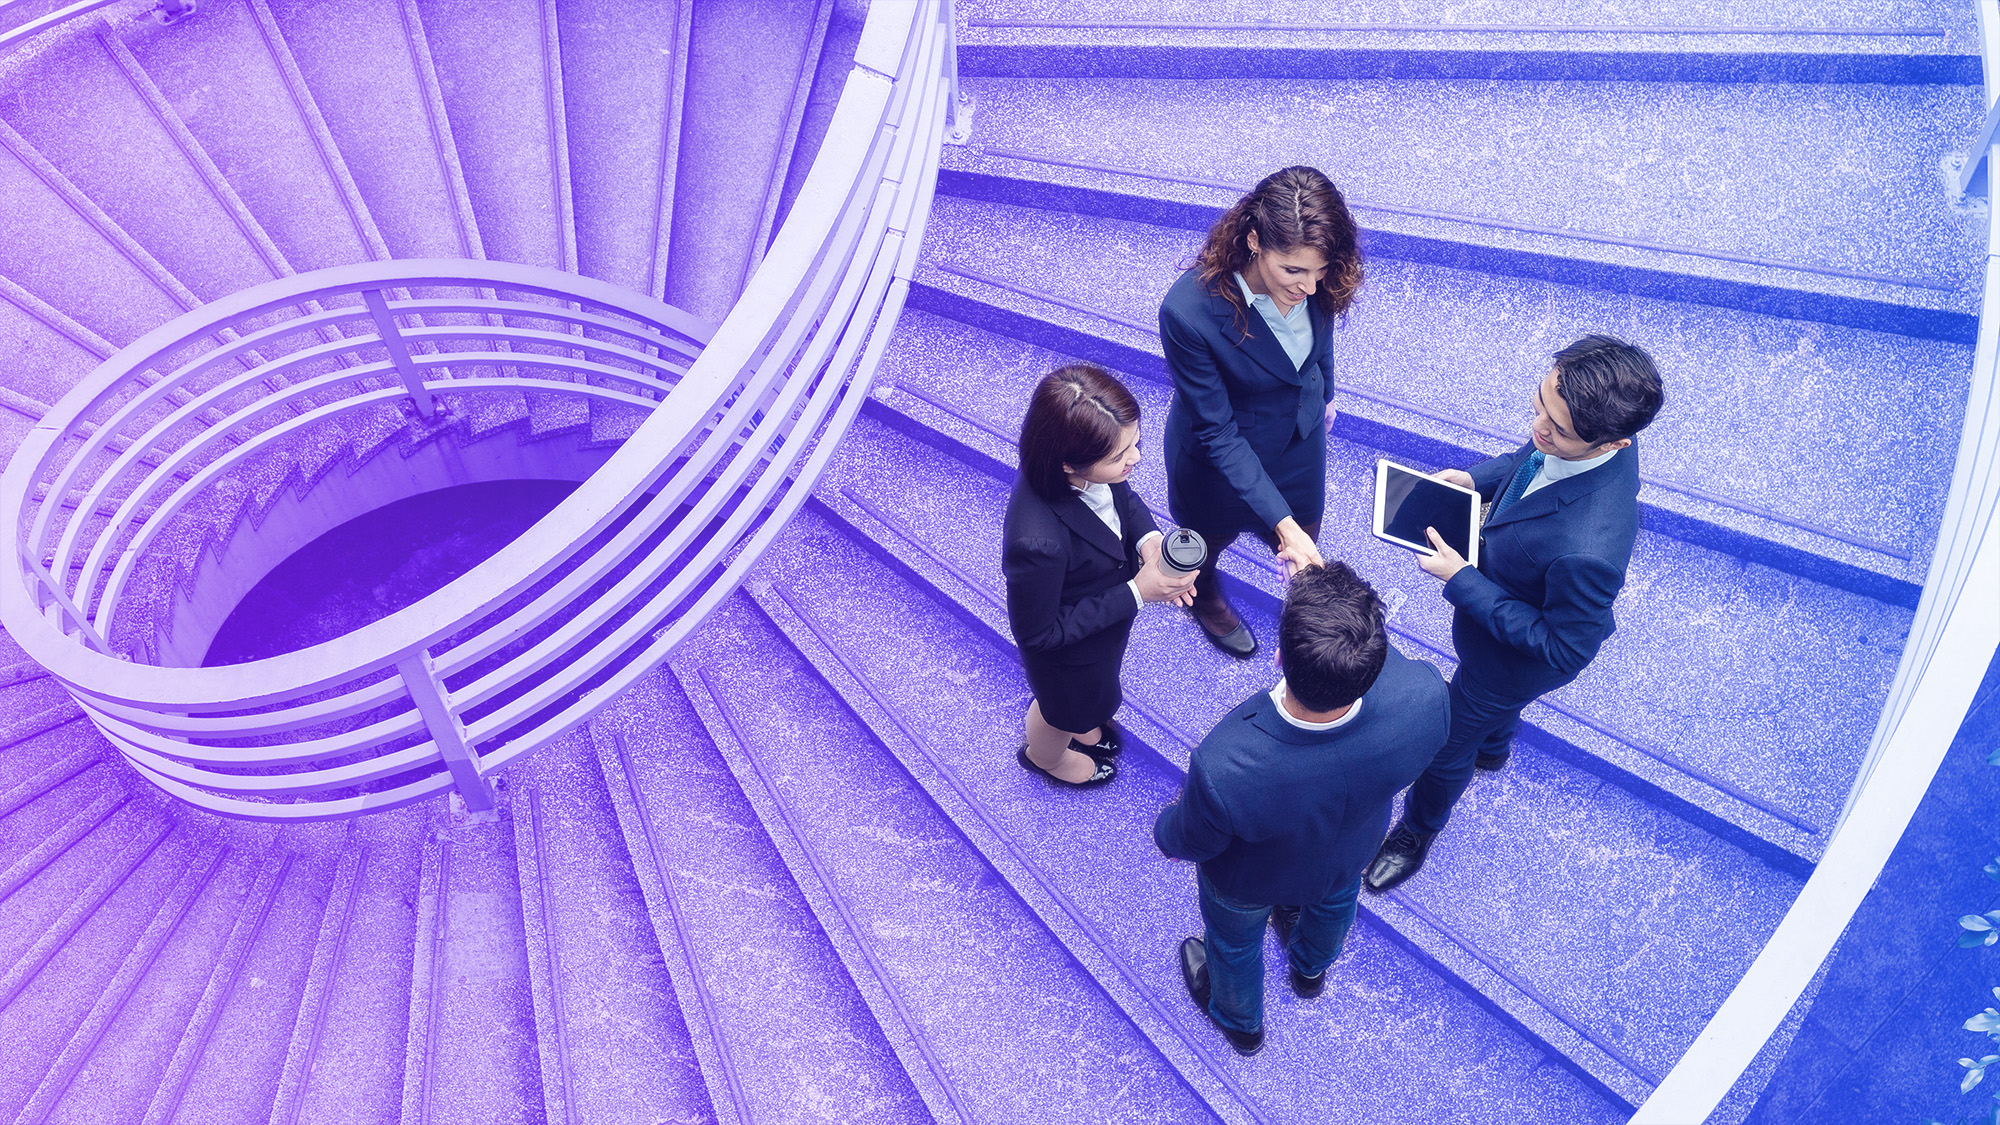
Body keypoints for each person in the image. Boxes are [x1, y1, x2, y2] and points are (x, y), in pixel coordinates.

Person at [1365, 334, 1665, 892]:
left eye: (1558, 429)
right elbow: (1530, 460)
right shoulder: (1578, 425)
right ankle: (1494, 748)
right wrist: (1474, 481)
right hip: (1507, 620)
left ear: (1615, 442)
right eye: (1540, 406)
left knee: (1445, 747)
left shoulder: (1589, 548)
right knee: (1490, 725)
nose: (1539, 428)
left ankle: (1418, 831)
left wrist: (1462, 579)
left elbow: (1565, 648)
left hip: (1510, 663)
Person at [1154, 562, 1449, 1054]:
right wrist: (1334, 610)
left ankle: (1241, 1023)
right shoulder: (1424, 695)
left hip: (1249, 882)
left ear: (1278, 658)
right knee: (1336, 904)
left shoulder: (1226, 764)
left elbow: (1189, 839)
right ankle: (1310, 970)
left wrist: (1165, 831)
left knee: (1234, 945)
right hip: (1350, 852)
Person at [1160, 165, 1364, 659]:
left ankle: (1301, 631)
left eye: (1319, 271)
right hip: (1221, 460)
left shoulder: (1316, 278)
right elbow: (1218, 432)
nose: (1310, 287)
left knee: (1302, 536)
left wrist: (1326, 391)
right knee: (1207, 544)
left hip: (1298, 442)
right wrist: (1282, 524)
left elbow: (1320, 337)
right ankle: (1204, 600)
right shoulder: (1187, 311)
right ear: (1253, 240)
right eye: (1293, 271)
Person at [1003, 364, 1196, 787]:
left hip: (1100, 636)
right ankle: (1046, 758)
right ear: (1069, 464)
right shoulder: (1036, 542)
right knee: (1059, 712)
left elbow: (1122, 499)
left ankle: (1083, 722)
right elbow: (1037, 635)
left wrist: (1148, 540)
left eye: (1135, 443)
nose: (1136, 458)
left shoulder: (1082, 465)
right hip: (1066, 658)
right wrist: (1137, 591)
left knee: (1089, 699)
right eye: (1119, 456)